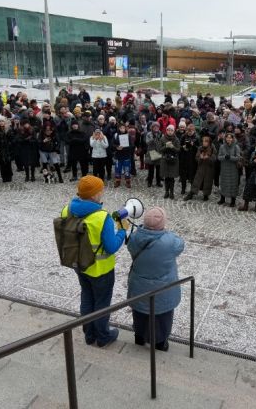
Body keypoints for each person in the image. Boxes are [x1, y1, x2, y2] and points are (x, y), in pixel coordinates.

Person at [60, 175, 126, 347]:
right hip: (101, 270)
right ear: (94, 195)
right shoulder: (102, 217)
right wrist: (122, 231)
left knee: (87, 297)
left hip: (79, 264)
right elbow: (111, 247)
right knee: (102, 303)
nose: (102, 192)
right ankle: (103, 336)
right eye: (100, 190)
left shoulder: (67, 209)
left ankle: (89, 335)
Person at [127, 207, 184, 351]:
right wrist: (166, 232)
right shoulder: (170, 241)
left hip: (139, 285)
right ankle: (160, 342)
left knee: (140, 312)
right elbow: (181, 245)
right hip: (163, 288)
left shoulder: (135, 237)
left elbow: (131, 247)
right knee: (162, 316)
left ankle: (139, 337)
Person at [184, 134, 216, 201]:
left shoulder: (213, 148)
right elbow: (196, 158)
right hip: (201, 167)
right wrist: (200, 158)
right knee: (197, 181)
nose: (204, 142)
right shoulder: (200, 148)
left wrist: (208, 158)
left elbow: (214, 159)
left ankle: (206, 195)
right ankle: (191, 193)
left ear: (209, 142)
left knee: (207, 182)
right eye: (203, 141)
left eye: (206, 141)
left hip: (209, 169)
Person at [217, 132, 241, 207]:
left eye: (230, 138)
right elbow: (218, 157)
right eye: (227, 137)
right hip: (224, 168)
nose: (229, 139)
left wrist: (230, 157)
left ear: (233, 138)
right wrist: (224, 157)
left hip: (233, 169)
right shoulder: (222, 147)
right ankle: (222, 198)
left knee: (233, 184)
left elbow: (238, 157)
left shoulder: (236, 147)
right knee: (223, 183)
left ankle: (233, 200)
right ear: (225, 138)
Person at [159, 124, 180, 199]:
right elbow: (159, 150)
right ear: (166, 130)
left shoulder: (176, 139)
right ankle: (166, 191)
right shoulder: (162, 139)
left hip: (173, 160)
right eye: (168, 130)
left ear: (173, 131)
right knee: (166, 177)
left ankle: (171, 192)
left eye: (171, 130)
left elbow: (178, 150)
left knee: (171, 178)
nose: (170, 132)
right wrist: (166, 146)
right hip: (165, 159)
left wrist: (172, 147)